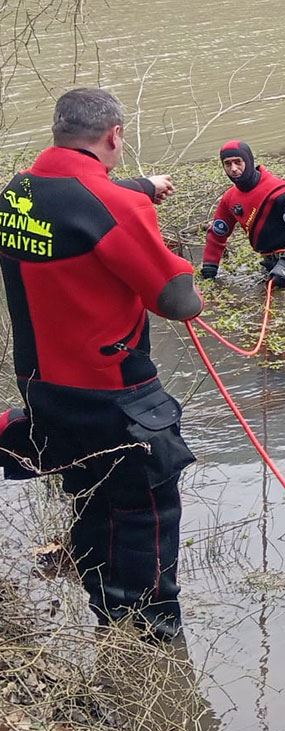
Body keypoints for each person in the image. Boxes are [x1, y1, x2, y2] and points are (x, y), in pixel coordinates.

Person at [0, 87, 202, 641]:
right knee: (144, 511)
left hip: (45, 388)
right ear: (114, 135)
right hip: (112, 393)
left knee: (93, 498)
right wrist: (159, 235)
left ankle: (104, 615)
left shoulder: (16, 193)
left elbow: (72, 204)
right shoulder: (117, 208)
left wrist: (141, 187)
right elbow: (177, 300)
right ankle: (150, 644)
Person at [198, 139, 285, 288]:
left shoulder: (282, 192)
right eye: (228, 164)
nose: (234, 169)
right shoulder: (229, 199)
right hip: (270, 264)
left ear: (249, 161)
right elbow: (217, 234)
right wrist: (209, 269)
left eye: (238, 162)